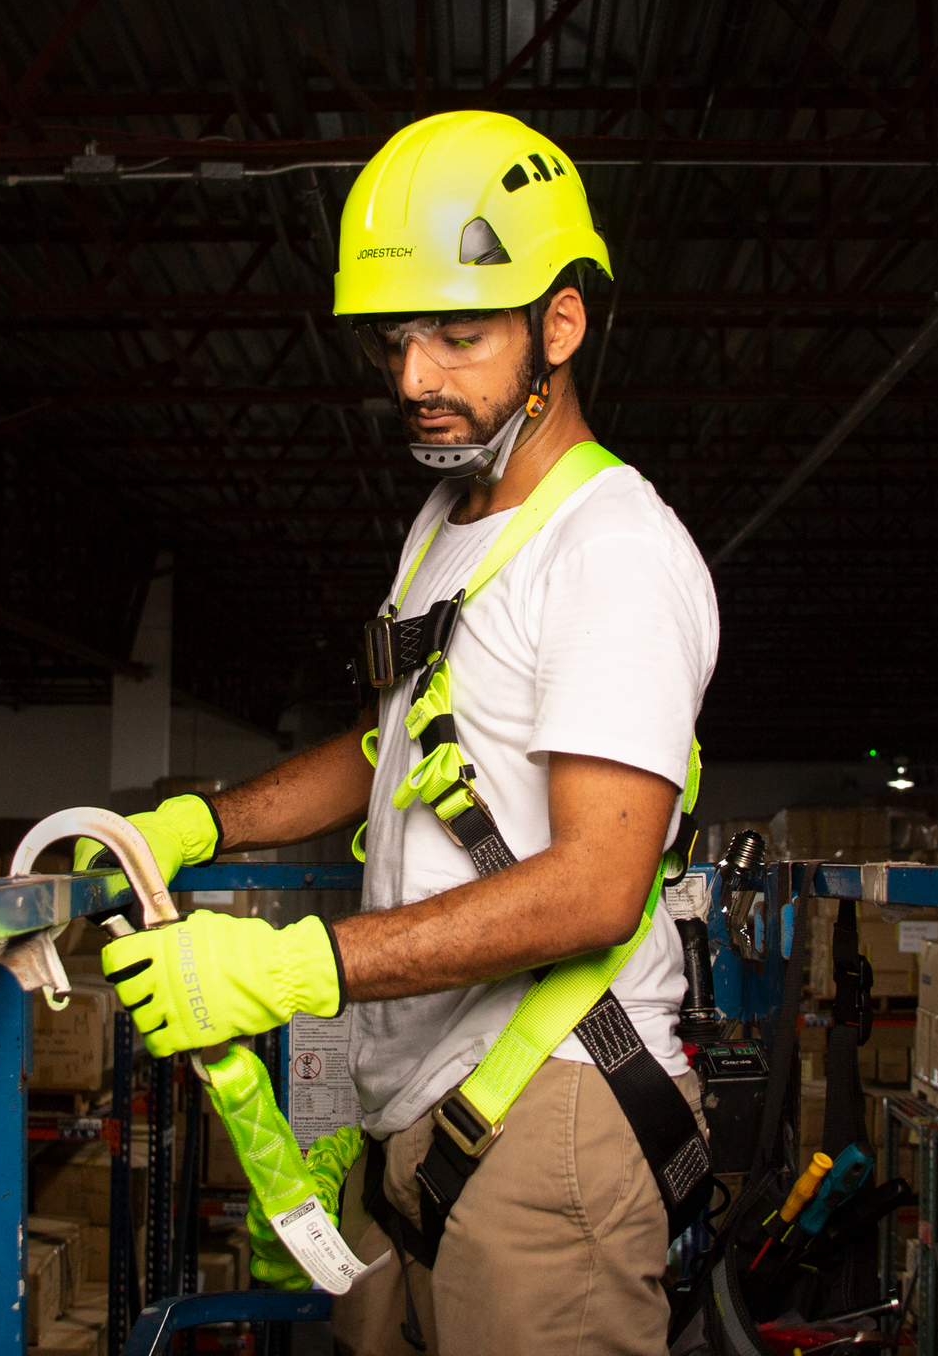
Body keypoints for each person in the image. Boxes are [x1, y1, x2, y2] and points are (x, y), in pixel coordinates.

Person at [89, 111, 720, 1356]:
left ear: (560, 323)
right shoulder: (445, 521)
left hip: (554, 1116)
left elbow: (598, 886)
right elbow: (405, 747)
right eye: (398, 337)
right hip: (414, 1103)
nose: (416, 376)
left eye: (458, 333)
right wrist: (206, 820)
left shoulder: (613, 551)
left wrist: (289, 969)